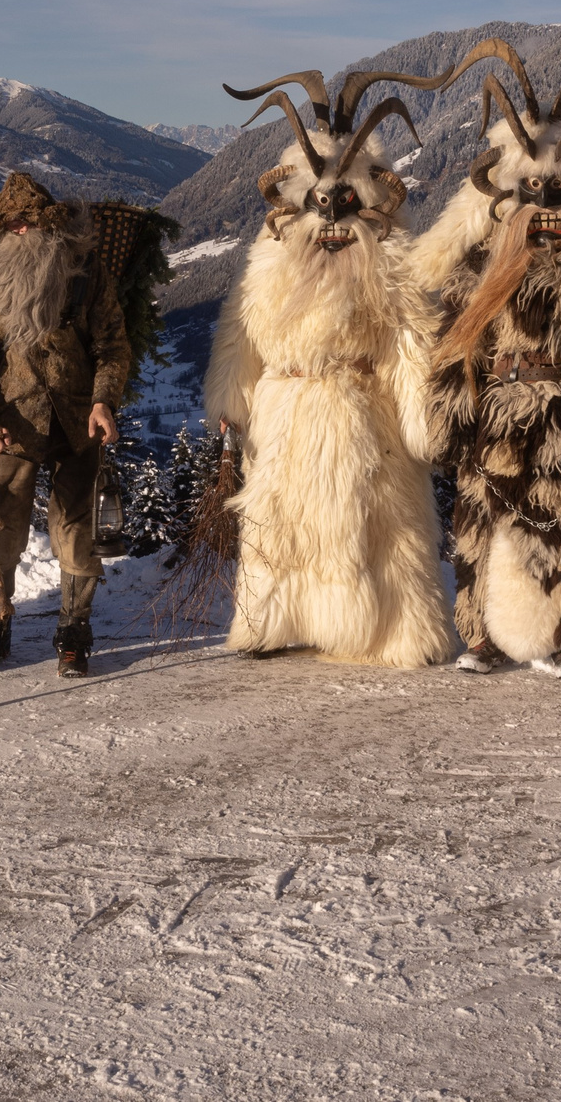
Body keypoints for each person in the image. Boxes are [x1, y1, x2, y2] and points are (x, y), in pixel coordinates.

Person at [203, 60, 463, 668]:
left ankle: (393, 630)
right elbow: (242, 328)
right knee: (280, 519)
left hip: (362, 412)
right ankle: (276, 620)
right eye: (320, 201)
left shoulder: (390, 254)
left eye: (344, 200)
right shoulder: (272, 253)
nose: (331, 217)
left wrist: (422, 416)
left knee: (376, 522)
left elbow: (411, 337)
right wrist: (232, 398)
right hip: (286, 409)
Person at [412, 41, 561, 676]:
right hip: (494, 415)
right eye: (531, 192)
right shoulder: (479, 268)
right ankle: (483, 634)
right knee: (480, 521)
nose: (545, 209)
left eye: (558, 192)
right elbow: (455, 349)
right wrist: (449, 417)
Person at [0, 172, 133, 678]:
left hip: (77, 420)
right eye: (15, 225)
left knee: (77, 532)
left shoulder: (84, 267)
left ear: (52, 225)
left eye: (34, 223)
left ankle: (74, 632)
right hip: (10, 423)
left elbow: (111, 344)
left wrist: (103, 402)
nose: (24, 232)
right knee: (0, 530)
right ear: (0, 228)